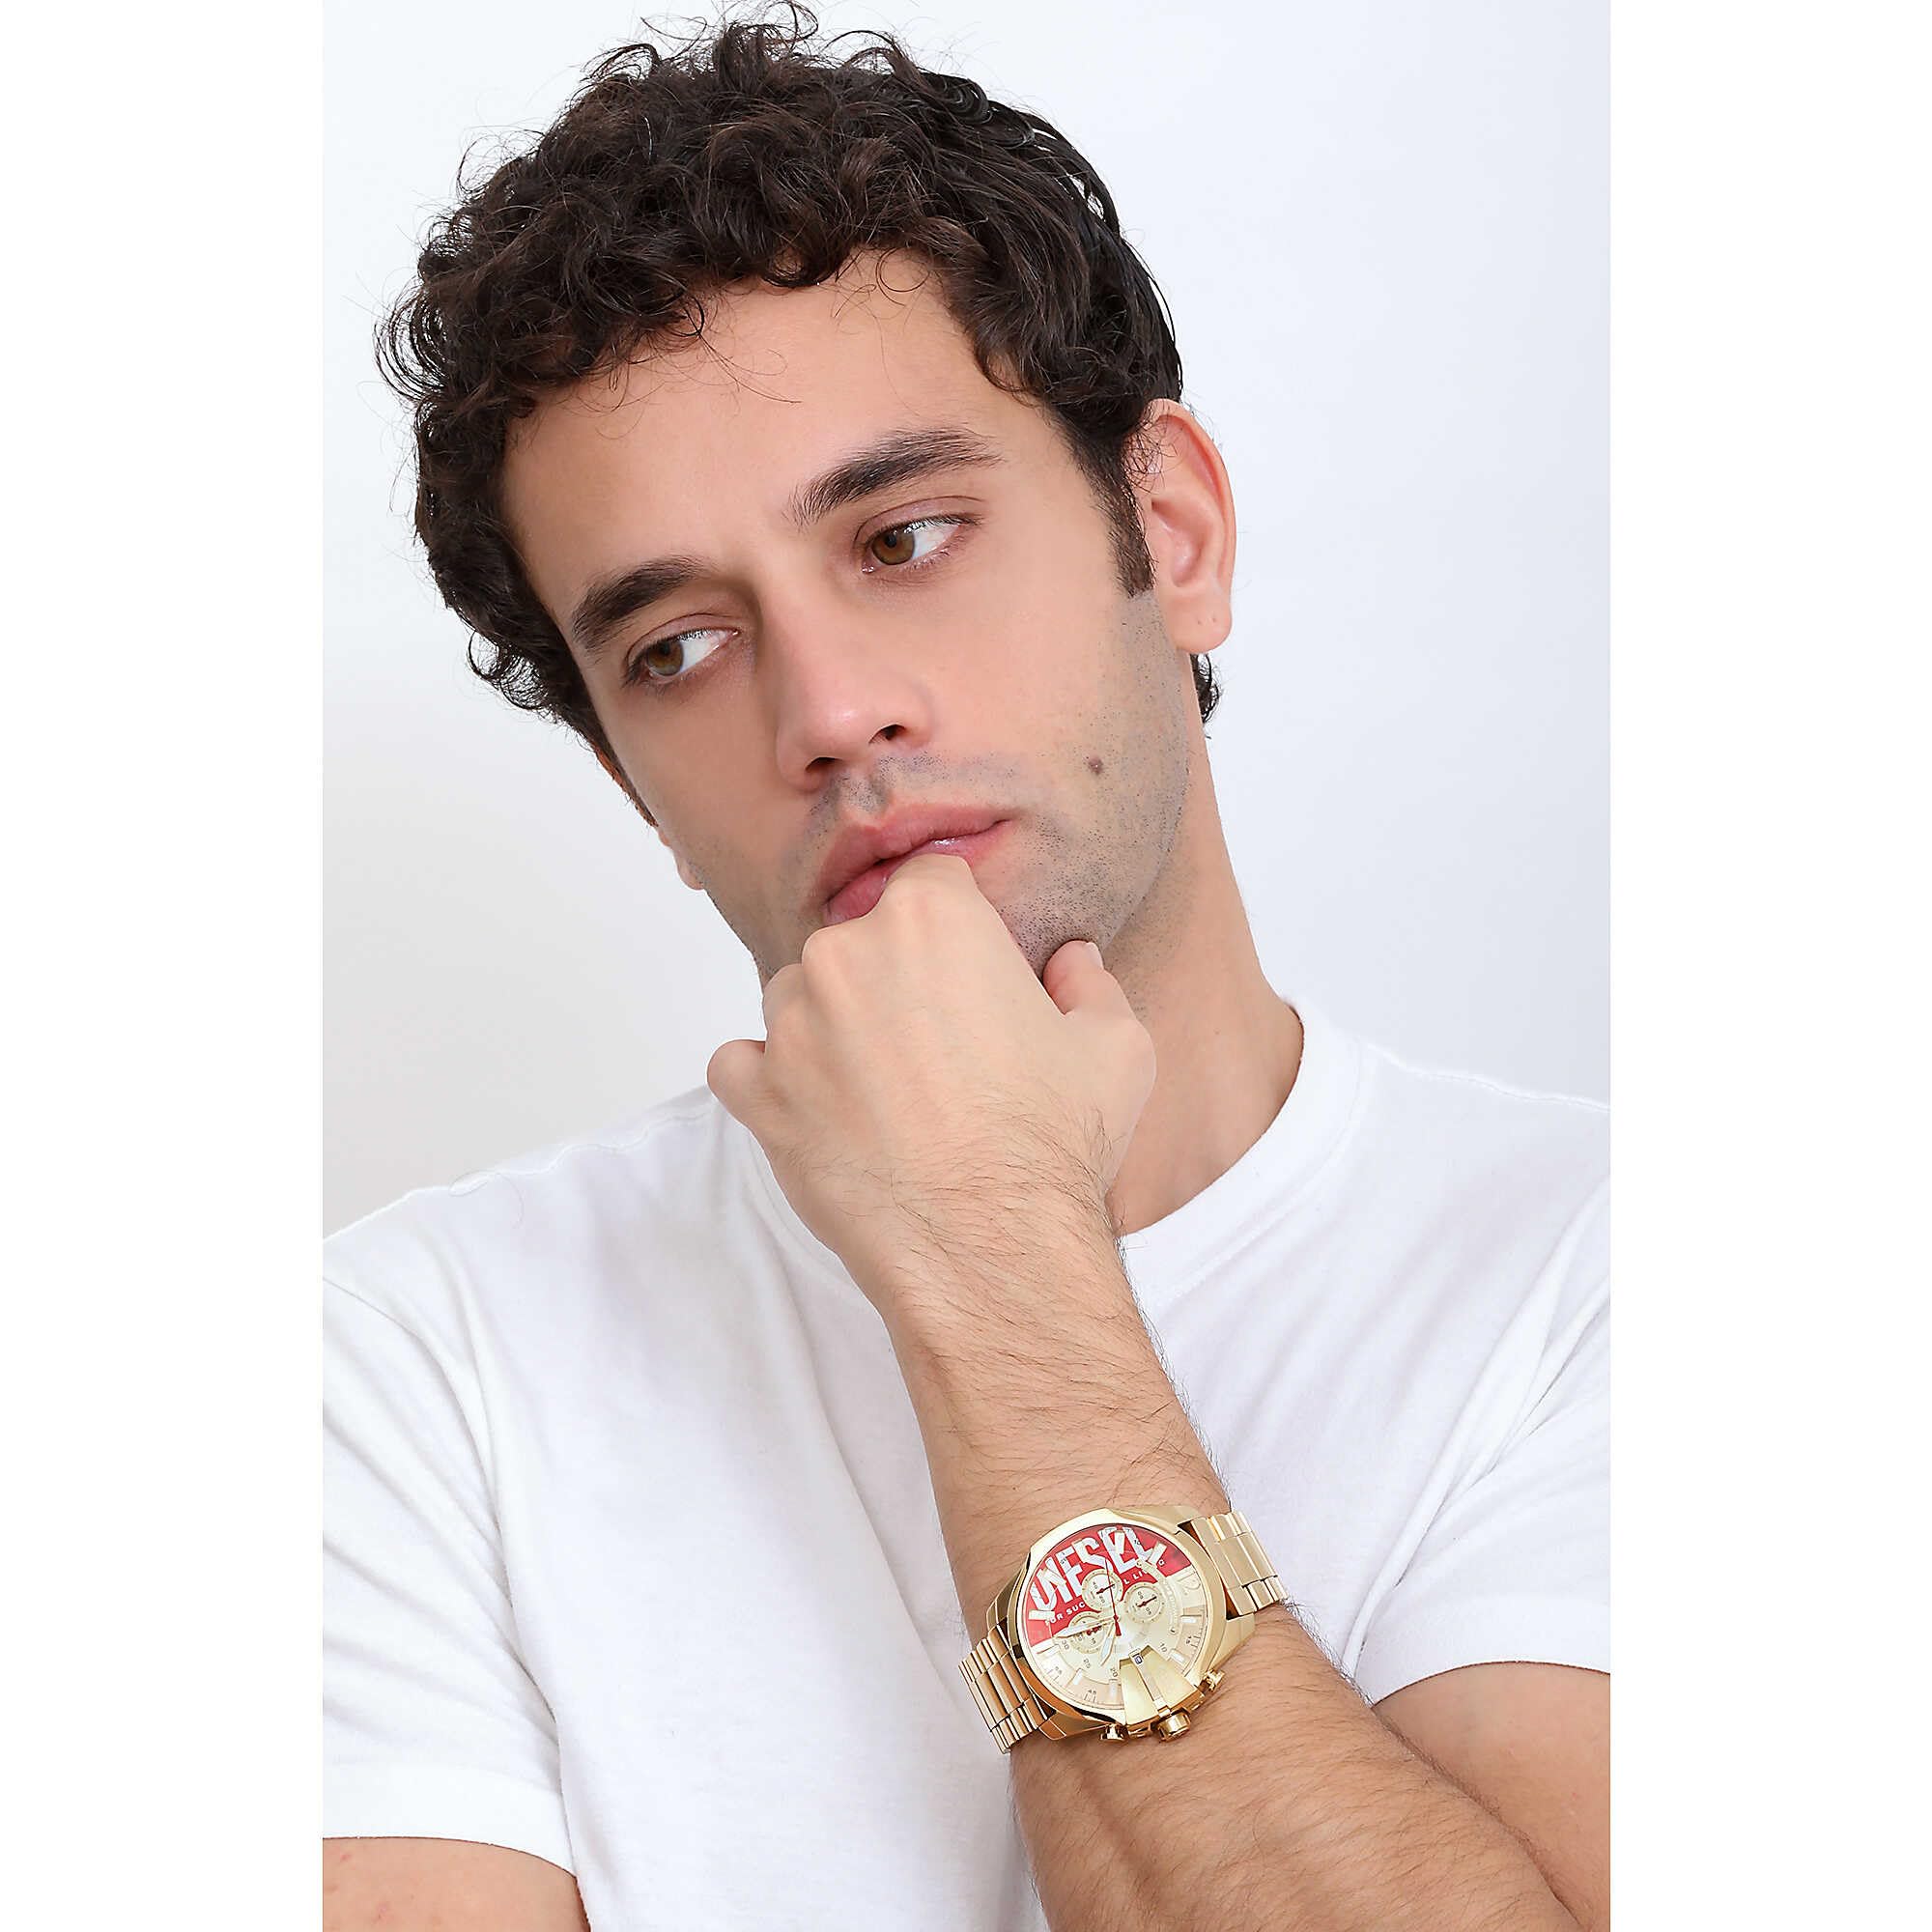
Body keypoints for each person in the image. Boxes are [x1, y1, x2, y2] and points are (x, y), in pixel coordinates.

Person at [324, 9, 1609, 1928]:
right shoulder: (403, 1376)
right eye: (677, 649)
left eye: (906, 536)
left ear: (1171, 533)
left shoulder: (1611, 1280)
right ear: (630, 783)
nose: (831, 710)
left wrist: (996, 1261)